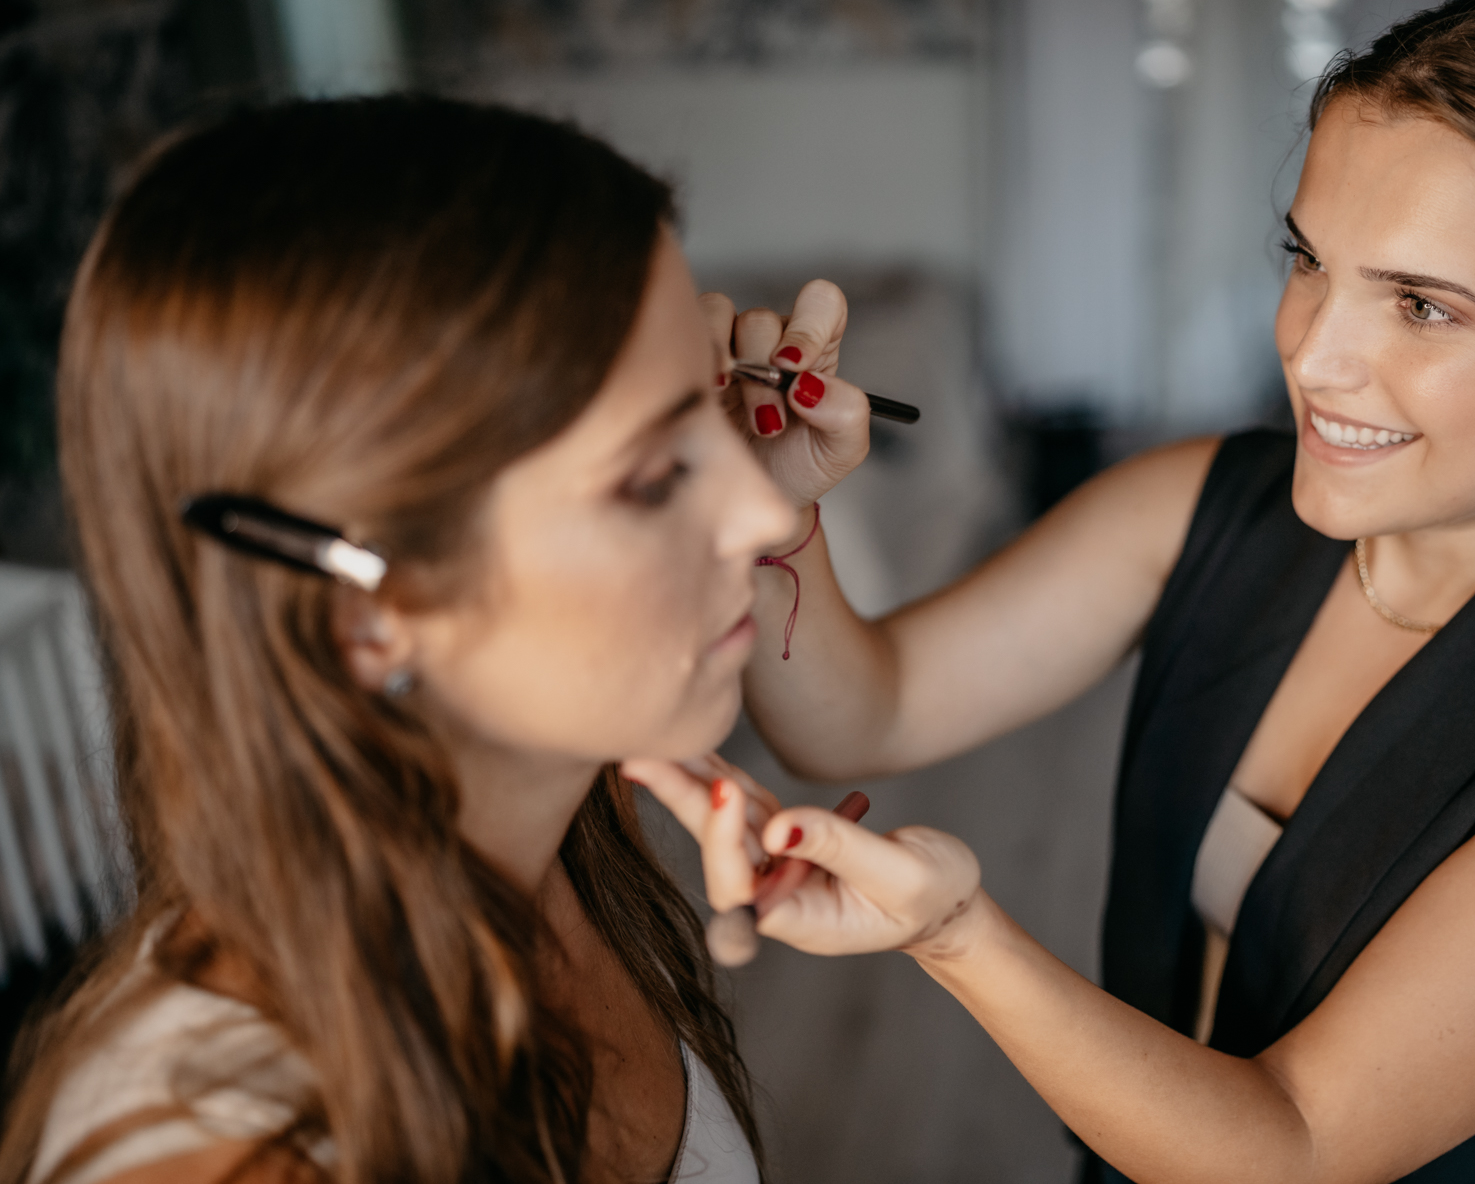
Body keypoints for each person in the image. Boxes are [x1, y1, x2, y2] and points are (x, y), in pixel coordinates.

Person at [631, 0, 1475, 1182]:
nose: (1310, 352)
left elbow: (1294, 1145)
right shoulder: (1213, 499)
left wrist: (952, 931)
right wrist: (779, 504)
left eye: (1418, 305)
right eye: (1308, 259)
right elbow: (866, 709)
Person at [0, 97, 873, 1184]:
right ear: (362, 611)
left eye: (708, 407)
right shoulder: (230, 1159)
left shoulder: (560, 819)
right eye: (652, 477)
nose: (758, 514)